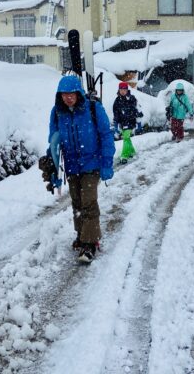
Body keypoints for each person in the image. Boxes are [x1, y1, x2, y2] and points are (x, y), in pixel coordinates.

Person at [48, 75, 115, 263]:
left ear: (78, 93)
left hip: (91, 163)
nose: (68, 98)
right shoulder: (57, 113)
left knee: (89, 202)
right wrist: (53, 168)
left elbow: (106, 135)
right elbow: (53, 140)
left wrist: (107, 162)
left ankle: (90, 243)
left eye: (71, 94)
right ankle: (81, 235)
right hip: (71, 166)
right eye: (64, 94)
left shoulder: (93, 109)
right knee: (77, 203)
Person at [112, 81, 142, 163]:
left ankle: (124, 156)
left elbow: (138, 109)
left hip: (130, 122)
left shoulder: (132, 98)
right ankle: (132, 151)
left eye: (124, 89)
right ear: (119, 90)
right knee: (127, 138)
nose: (123, 91)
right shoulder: (117, 101)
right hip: (122, 123)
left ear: (127, 90)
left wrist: (139, 122)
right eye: (121, 89)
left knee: (125, 137)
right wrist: (116, 124)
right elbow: (116, 113)